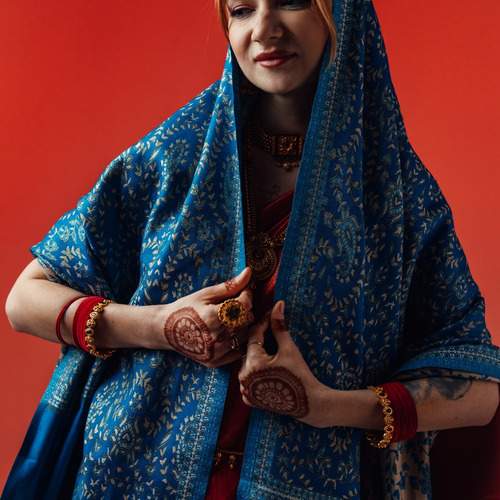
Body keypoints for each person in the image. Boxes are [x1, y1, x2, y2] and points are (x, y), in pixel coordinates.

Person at [3, 0, 499, 498]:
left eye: (291, 2)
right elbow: (25, 299)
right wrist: (160, 327)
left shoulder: (397, 197)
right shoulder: (173, 157)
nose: (264, 29)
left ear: (343, 12)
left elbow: (479, 387)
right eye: (242, 9)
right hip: (131, 476)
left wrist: (326, 405)